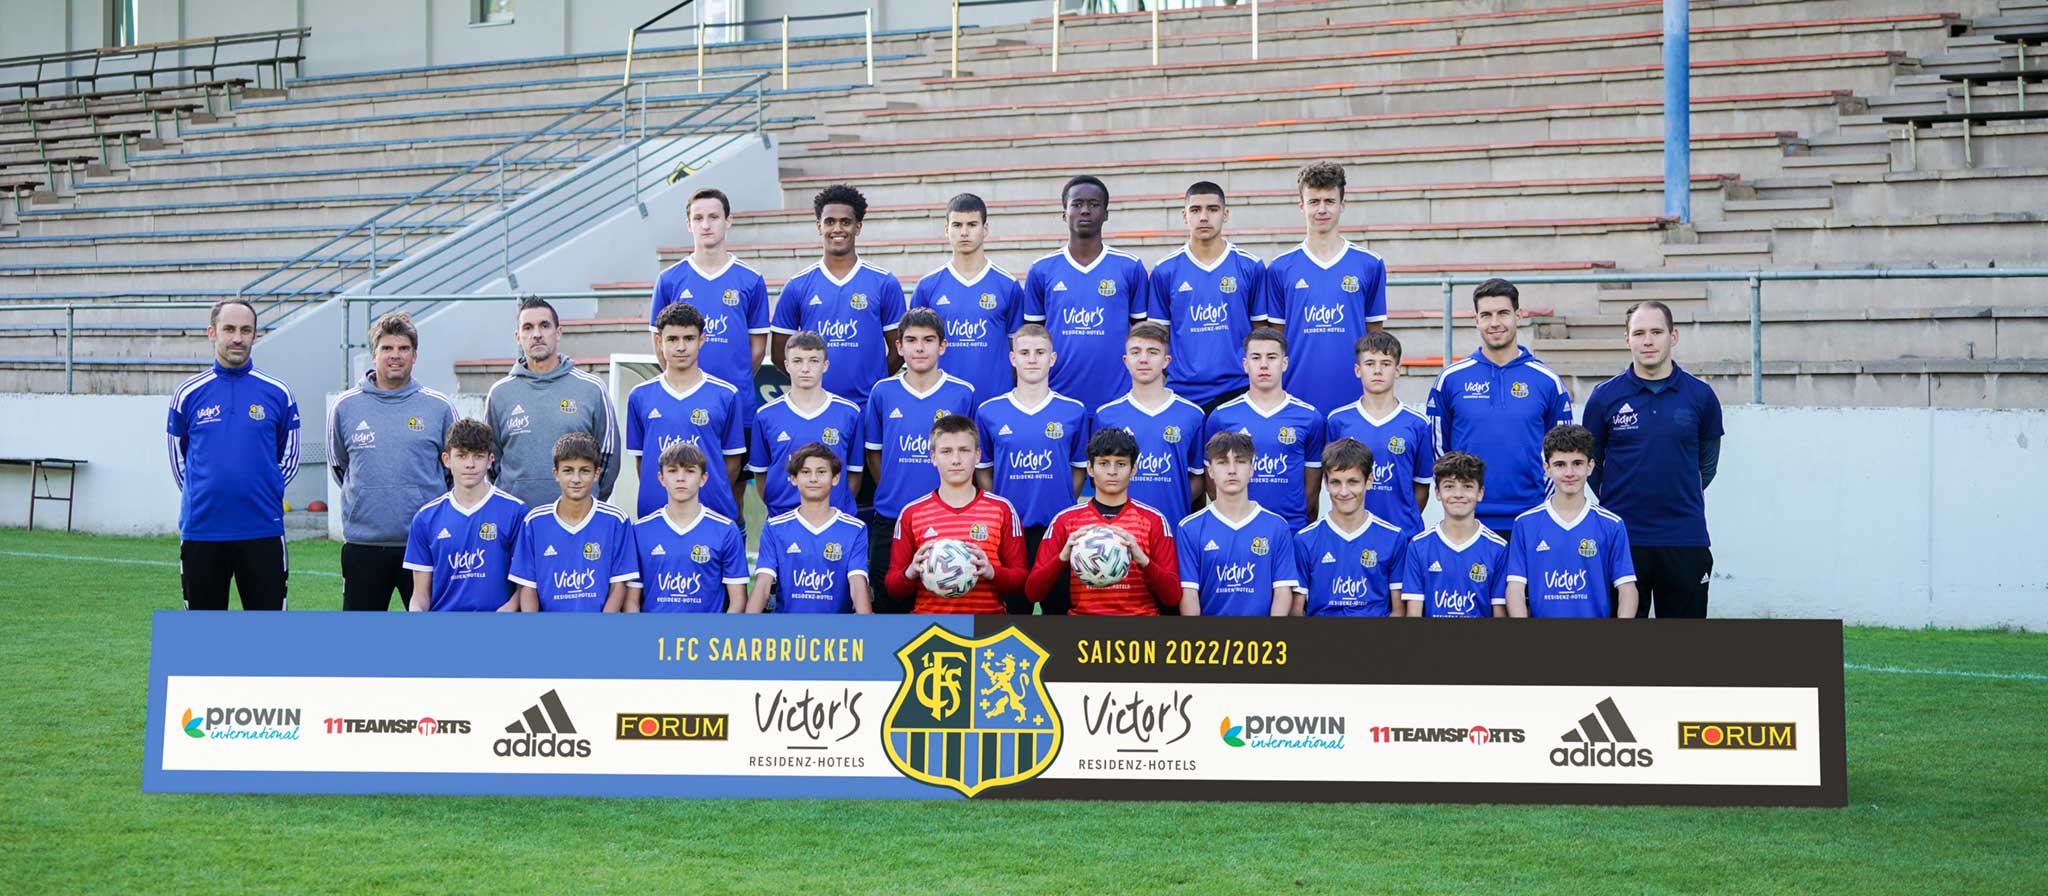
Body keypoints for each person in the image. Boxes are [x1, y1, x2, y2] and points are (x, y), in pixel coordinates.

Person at [1582, 300, 1724, 619]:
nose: (1648, 341)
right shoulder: (1605, 396)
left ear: (1673, 337)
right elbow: (1591, 464)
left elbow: (1708, 464)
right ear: (1627, 339)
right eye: (1640, 333)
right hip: (1622, 539)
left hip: (1685, 538)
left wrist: (1679, 491)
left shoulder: (1700, 396)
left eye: (1657, 332)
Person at [166, 298, 301, 611]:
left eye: (245, 330)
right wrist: (206, 494)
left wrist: (260, 491)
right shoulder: (188, 393)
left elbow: (288, 459)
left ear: (255, 335)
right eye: (229, 329)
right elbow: (179, 461)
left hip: (262, 530)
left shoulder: (278, 392)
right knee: (206, 639)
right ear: (212, 333)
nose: (237, 337)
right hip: (202, 531)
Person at [327, 311, 459, 611]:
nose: (395, 356)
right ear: (374, 354)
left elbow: (453, 474)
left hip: (426, 545)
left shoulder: (438, 407)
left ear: (415, 355)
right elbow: (340, 466)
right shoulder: (346, 407)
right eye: (387, 348)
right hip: (364, 546)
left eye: (403, 348)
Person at [1426, 278, 1572, 536]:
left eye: (1503, 313)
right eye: (1486, 315)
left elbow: (1563, 451)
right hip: (1468, 519)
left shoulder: (1547, 381)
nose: (1495, 322)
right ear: (1476, 320)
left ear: (1519, 315)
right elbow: (1439, 449)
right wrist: (1460, 495)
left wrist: (1545, 504)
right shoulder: (1451, 379)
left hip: (1531, 518)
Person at [862, 308, 977, 612]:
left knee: (948, 605)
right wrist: (892, 488)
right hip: (893, 516)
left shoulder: (962, 393)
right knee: (889, 605)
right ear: (898, 347)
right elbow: (875, 453)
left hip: (949, 518)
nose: (920, 347)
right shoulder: (883, 392)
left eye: (928, 340)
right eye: (911, 340)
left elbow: (969, 455)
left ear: (942, 346)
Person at [975, 323, 1090, 613]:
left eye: (1040, 352)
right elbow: (984, 470)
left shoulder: (1073, 410)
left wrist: (1061, 505)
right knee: (1014, 615)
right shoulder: (990, 411)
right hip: (1011, 532)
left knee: (1060, 612)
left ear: (1052, 359)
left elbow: (1078, 470)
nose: (1032, 359)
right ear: (1012, 358)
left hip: (1057, 532)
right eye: (1024, 352)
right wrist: (1004, 509)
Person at [1260, 161, 1387, 418]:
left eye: (1329, 201)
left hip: (1354, 400)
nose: (1321, 209)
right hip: (1296, 398)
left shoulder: (1370, 264)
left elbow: (1373, 338)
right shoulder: (1280, 268)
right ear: (1301, 205)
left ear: (1342, 205)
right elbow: (1277, 339)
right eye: (1314, 201)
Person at [1023, 174, 1151, 413]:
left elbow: (1141, 333)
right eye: (1077, 204)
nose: (1085, 210)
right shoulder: (1041, 270)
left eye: (1094, 205)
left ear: (1106, 214)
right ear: (1064, 213)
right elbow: (1031, 337)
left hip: (1118, 396)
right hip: (1056, 395)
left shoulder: (1130, 267)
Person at [771, 184, 905, 407]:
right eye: (830, 221)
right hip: (815, 406)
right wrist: (810, 386)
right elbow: (779, 354)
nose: (837, 228)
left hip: (867, 407)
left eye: (846, 222)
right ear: (818, 226)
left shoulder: (884, 282)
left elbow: (899, 350)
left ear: (858, 227)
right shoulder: (797, 285)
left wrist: (871, 383)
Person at [648, 187, 769, 431]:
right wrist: (684, 383)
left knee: (736, 469)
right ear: (688, 224)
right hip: (685, 403)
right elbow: (659, 344)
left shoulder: (751, 279)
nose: (706, 225)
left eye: (713, 217)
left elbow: (756, 350)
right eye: (698, 218)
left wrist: (734, 380)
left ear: (728, 221)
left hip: (737, 403)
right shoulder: (669, 279)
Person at [1027, 428, 1182, 616]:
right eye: (1103, 463)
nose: (1112, 472)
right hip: (1083, 633)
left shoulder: (1154, 520)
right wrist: (1063, 558)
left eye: (1121, 464)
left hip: (1140, 632)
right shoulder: (1065, 521)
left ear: (1133, 469)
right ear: (1090, 469)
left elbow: (1172, 596)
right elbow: (1032, 593)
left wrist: (1142, 559)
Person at [484, 296, 620, 510]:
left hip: (577, 519)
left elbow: (608, 459)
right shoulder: (500, 393)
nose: (536, 334)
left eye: (544, 326)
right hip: (518, 523)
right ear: (518, 337)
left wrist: (586, 498)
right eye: (528, 328)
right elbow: (493, 462)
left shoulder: (591, 388)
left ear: (558, 332)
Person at [884, 414, 1027, 615]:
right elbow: (893, 588)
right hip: (929, 628)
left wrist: (991, 571)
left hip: (986, 628)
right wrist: (911, 572)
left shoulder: (1002, 510)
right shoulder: (912, 513)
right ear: (933, 457)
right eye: (946, 451)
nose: (956, 460)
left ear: (977, 456)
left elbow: (1021, 581)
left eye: (964, 450)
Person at [1148, 181, 1266, 412]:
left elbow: (1260, 330)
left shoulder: (1250, 266)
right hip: (1183, 390)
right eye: (1195, 210)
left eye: (1212, 209)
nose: (1204, 217)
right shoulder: (1165, 270)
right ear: (1184, 216)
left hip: (1238, 388)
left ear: (1225, 214)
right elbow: (1157, 335)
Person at [625, 302, 746, 522]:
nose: (681, 347)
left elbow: (733, 463)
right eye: (672, 339)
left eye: (688, 339)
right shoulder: (640, 396)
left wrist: (707, 492)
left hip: (712, 514)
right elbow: (642, 461)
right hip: (656, 515)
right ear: (659, 342)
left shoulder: (726, 395)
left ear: (701, 340)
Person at [1504, 425, 1639, 619]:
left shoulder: (1612, 524)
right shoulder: (1525, 523)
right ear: (1547, 468)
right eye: (1560, 465)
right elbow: (1515, 588)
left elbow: (1627, 588)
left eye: (1577, 463)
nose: (1569, 472)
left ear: (1590, 466)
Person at [1202, 329, 1326, 530]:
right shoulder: (1221, 416)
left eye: (1272, 357)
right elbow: (1212, 479)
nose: (1264, 364)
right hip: (1238, 528)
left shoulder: (1310, 417)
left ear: (1284, 363)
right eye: (1256, 357)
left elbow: (1312, 488)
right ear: (1245, 364)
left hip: (1290, 529)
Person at [403, 418, 526, 612]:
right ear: (446, 460)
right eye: (461, 456)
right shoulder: (425, 518)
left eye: (478, 456)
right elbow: (420, 596)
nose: (470, 464)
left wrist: (509, 609)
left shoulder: (515, 511)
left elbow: (526, 584)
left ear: (490, 460)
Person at [910, 192, 1024, 401]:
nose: (964, 232)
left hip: (995, 401)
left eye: (972, 225)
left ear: (985, 229)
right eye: (957, 225)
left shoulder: (1008, 285)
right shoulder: (927, 287)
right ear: (946, 230)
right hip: (942, 401)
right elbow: (915, 350)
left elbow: (1016, 350)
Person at [508, 433, 637, 612]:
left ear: (596, 474)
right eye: (568, 471)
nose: (576, 479)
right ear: (556, 474)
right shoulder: (535, 522)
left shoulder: (616, 521)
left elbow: (619, 586)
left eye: (584, 471)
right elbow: (528, 587)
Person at [1174, 431, 1298, 617]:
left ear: (1251, 469)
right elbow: (1189, 594)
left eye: (1240, 461)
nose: (1232, 470)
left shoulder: (1277, 526)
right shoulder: (1189, 528)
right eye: (1222, 462)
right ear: (1211, 471)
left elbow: (1282, 592)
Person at [1325, 331, 1435, 538]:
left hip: (1402, 535)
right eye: (1369, 363)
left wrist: (1400, 525)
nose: (1377, 370)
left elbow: (1421, 487)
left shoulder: (1418, 424)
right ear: (1358, 370)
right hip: (1351, 534)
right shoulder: (1338, 421)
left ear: (1397, 370)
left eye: (1385, 363)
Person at [1093, 322, 1207, 521]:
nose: (1144, 359)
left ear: (1166, 360)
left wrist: (1173, 504)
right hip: (1120, 530)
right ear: (1126, 360)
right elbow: (1098, 478)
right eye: (1136, 352)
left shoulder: (1192, 415)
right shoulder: (1106, 415)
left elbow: (1198, 476)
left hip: (1172, 529)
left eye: (1153, 352)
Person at [748, 331, 863, 517]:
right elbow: (761, 476)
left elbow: (854, 475)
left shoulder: (849, 413)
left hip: (834, 520)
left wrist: (830, 509)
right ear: (787, 365)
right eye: (798, 361)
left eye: (814, 361)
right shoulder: (766, 415)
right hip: (782, 519)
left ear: (825, 365)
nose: (805, 368)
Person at [748, 443, 873, 614]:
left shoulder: (855, 529)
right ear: (793, 478)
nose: (813, 478)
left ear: (835, 478)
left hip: (837, 634)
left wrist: (865, 631)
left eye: (821, 472)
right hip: (786, 633)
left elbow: (858, 585)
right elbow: (763, 584)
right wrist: (745, 626)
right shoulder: (775, 527)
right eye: (806, 472)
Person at [627, 441, 748, 613]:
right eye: (672, 471)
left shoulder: (726, 530)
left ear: (703, 478)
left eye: (690, 471)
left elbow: (738, 600)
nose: (680, 478)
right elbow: (631, 600)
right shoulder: (640, 531)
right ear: (661, 478)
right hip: (654, 636)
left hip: (705, 637)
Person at [1292, 438, 1408, 617]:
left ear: (1369, 481)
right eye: (1336, 482)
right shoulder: (1305, 539)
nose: (1344, 492)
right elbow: (1296, 611)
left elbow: (1399, 611)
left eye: (1353, 482)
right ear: (1325, 483)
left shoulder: (1393, 538)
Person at [1396, 451, 1508, 619]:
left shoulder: (1498, 548)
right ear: (1438, 492)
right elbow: (1414, 613)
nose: (1458, 494)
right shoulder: (1418, 546)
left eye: (1468, 486)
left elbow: (1499, 613)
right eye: (1449, 486)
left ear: (1480, 493)